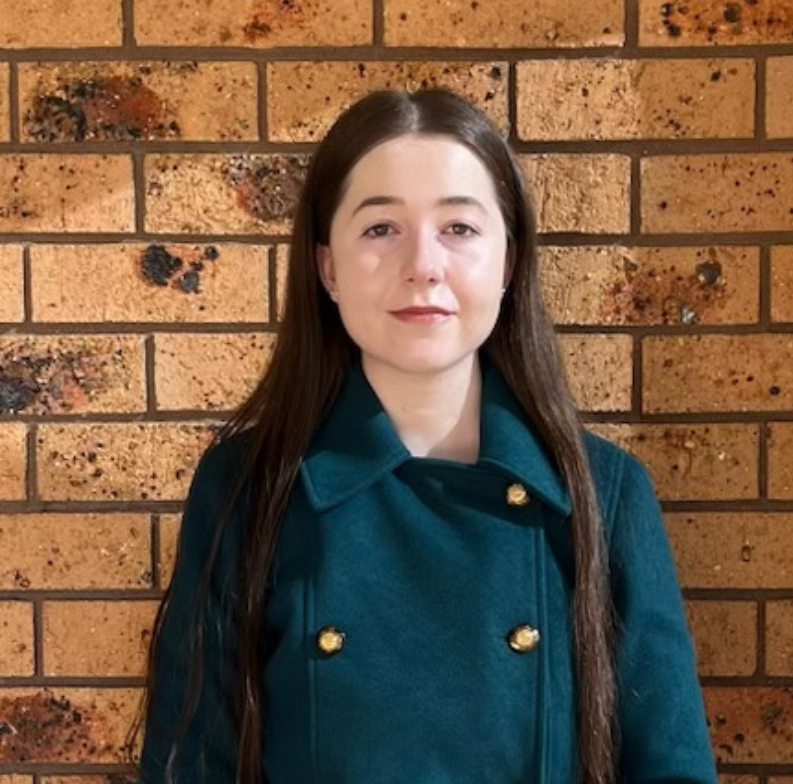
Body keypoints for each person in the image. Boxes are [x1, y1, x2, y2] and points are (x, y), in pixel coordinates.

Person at [127, 88, 717, 784]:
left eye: (459, 229)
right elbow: (191, 768)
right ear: (327, 267)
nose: (423, 265)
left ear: (509, 262)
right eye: (381, 229)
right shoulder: (248, 487)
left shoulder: (602, 495)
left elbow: (670, 771)